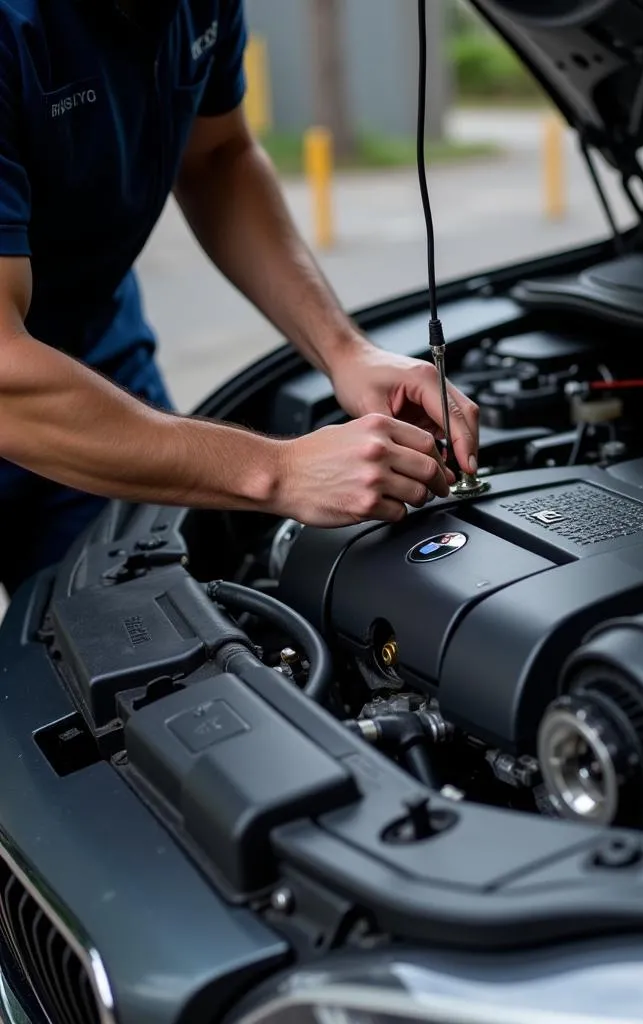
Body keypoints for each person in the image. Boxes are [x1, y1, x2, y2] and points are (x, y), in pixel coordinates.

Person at [0, 0, 479, 596]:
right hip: (16, 373)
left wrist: (343, 350)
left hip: (95, 362)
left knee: (125, 631)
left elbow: (217, 157)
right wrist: (278, 471)